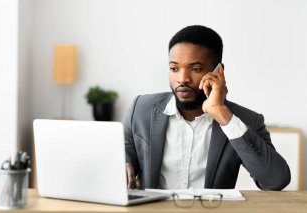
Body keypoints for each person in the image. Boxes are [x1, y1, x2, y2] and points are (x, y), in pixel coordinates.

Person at [123, 25, 290, 190]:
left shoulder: (245, 121)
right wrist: (122, 168)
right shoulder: (141, 109)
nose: (182, 79)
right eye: (174, 68)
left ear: (218, 71)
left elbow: (276, 180)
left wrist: (223, 115)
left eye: (195, 69)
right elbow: (120, 161)